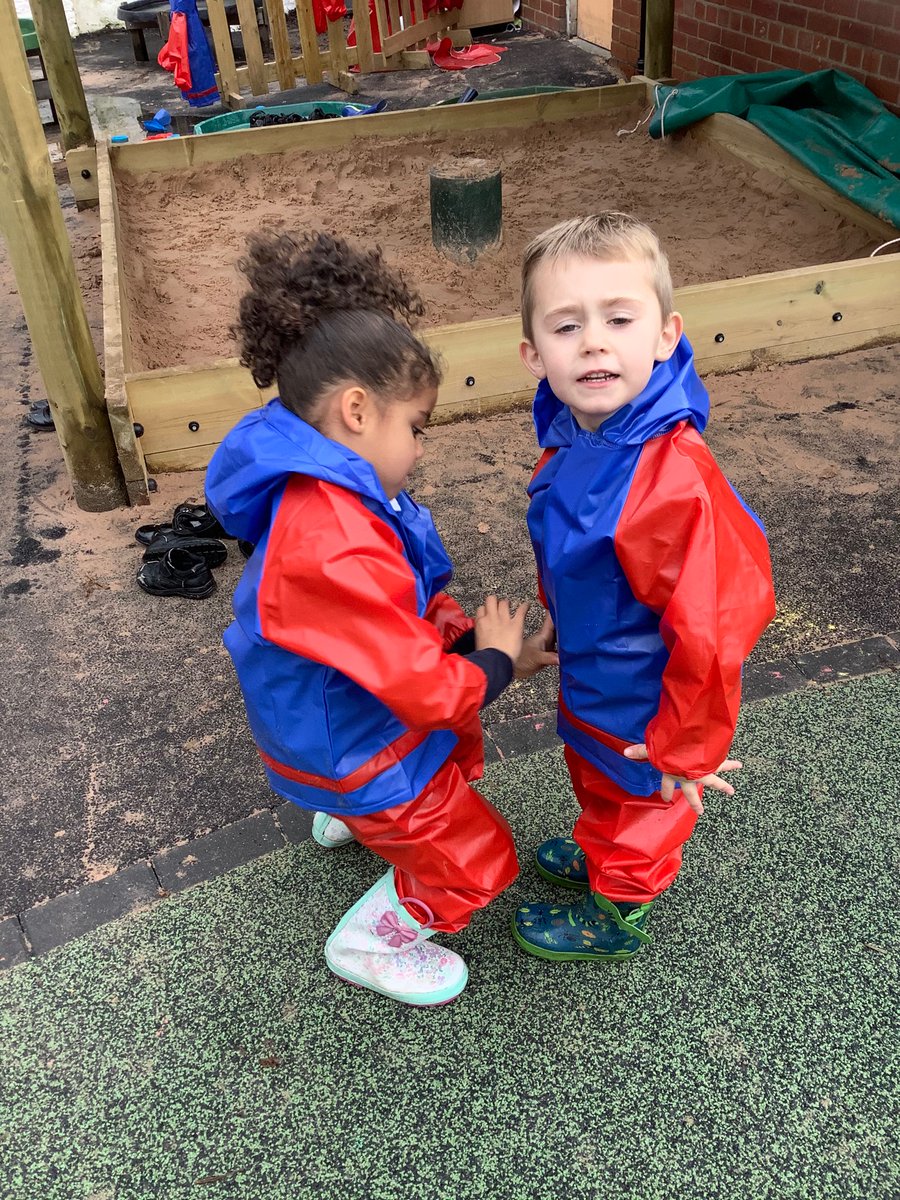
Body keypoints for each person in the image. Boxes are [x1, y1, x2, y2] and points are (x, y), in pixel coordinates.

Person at [205, 230, 556, 1006]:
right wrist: (491, 661)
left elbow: (398, 613)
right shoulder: (332, 536)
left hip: (325, 709)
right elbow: (424, 691)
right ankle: (369, 940)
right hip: (348, 741)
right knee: (479, 859)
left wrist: (489, 650)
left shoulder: (336, 490)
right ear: (357, 410)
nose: (420, 449)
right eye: (418, 426)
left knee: (435, 755)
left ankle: (354, 815)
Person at [512, 213, 776, 962]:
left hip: (648, 695)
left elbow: (717, 620)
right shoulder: (581, 434)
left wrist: (687, 748)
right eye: (567, 326)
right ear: (534, 354)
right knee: (597, 773)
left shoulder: (672, 478)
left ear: (665, 335)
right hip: (599, 667)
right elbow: (576, 544)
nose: (594, 340)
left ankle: (619, 906)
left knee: (643, 796)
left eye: (619, 318)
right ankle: (605, 845)